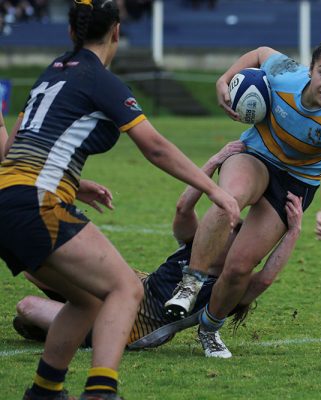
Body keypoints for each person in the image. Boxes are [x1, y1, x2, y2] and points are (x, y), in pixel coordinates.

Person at [0, 1, 239, 399]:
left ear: (70, 33)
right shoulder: (100, 79)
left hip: (10, 199)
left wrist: (77, 184)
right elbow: (156, 148)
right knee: (126, 289)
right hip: (37, 202)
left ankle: (45, 390)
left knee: (88, 298)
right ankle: (101, 391)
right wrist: (214, 188)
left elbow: (16, 151)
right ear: (115, 31)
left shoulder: (50, 75)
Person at [164, 30, 321, 339]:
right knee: (229, 199)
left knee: (240, 267)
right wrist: (224, 79)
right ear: (310, 69)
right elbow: (260, 52)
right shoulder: (287, 75)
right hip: (254, 156)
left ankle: (209, 329)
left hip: (294, 183)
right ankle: (190, 283)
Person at [12, 141, 305, 359]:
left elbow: (265, 277)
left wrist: (293, 231)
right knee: (32, 267)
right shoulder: (196, 247)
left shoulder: (227, 290)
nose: (220, 225)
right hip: (127, 286)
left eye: (231, 226)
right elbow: (183, 207)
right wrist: (214, 163)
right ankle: (65, 319)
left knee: (26, 307)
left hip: (130, 326)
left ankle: (63, 327)